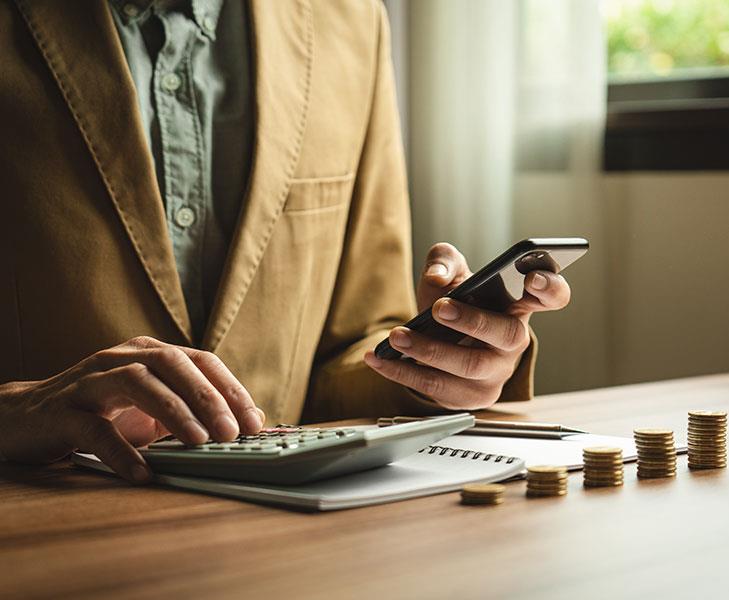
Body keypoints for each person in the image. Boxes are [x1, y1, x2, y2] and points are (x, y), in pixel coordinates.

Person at [0, 0, 570, 483]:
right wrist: (20, 411)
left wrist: (437, 367)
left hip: (288, 542)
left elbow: (345, 357)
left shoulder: (349, 19)